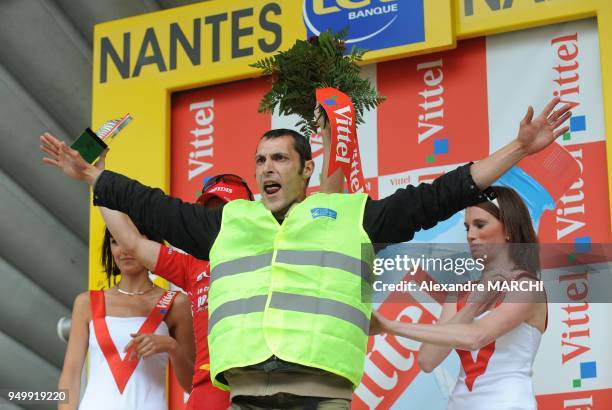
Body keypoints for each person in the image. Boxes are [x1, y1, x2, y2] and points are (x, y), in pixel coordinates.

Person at [43, 97, 570, 409]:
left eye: (279, 158)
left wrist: (519, 149)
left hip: (320, 394)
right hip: (246, 394)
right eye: (260, 160)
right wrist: (92, 174)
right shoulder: (228, 221)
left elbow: (441, 195)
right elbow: (150, 209)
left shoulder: (350, 216)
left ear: (304, 171)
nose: (268, 167)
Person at [371, 186, 547, 410]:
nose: (470, 235)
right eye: (467, 228)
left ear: (509, 229)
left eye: (480, 225)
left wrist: (390, 326)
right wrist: (472, 306)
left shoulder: (528, 287)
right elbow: (428, 360)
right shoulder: (460, 292)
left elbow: (477, 337)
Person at [57, 218, 195, 410]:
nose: (124, 250)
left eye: (131, 239)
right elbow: (70, 374)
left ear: (151, 244)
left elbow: (193, 385)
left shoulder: (176, 303)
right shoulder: (86, 302)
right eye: (115, 241)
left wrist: (172, 347)